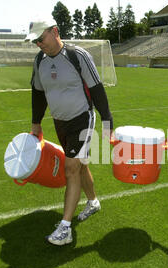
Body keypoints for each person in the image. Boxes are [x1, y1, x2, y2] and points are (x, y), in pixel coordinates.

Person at [25, 20, 114, 246]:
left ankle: (65, 229)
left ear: (54, 32)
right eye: (34, 41)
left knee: (71, 168)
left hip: (82, 119)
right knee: (80, 164)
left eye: (40, 38)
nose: (38, 44)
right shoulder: (39, 61)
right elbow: (37, 92)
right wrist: (36, 123)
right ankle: (93, 201)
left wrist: (107, 120)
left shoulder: (77, 55)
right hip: (59, 122)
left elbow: (96, 88)